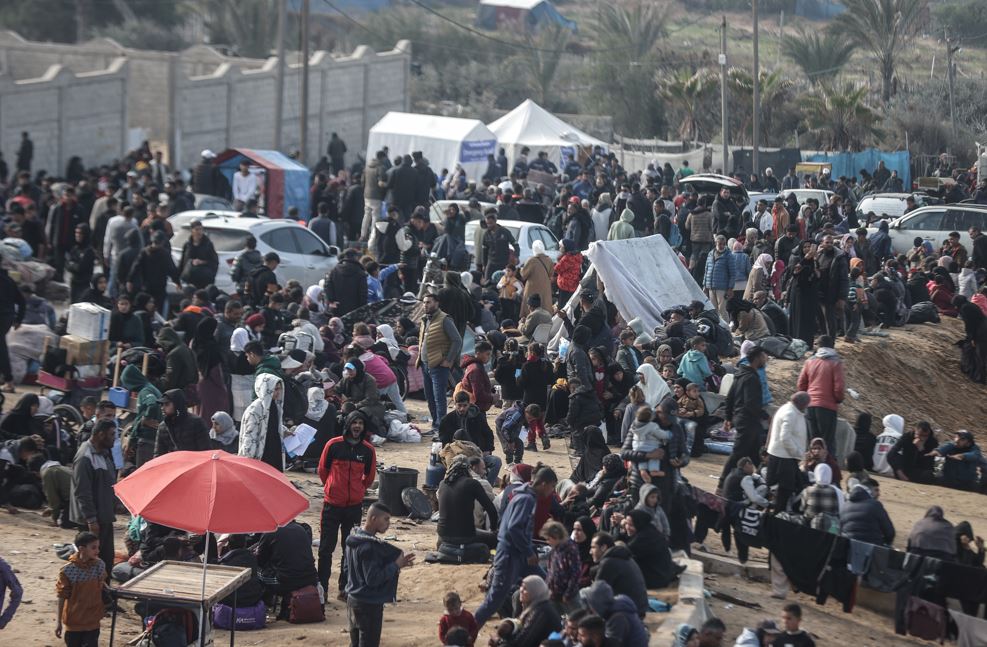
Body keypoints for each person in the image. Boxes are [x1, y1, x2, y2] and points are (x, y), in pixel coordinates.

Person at [474, 467, 558, 628]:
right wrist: (528, 551)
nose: (552, 491)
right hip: (510, 555)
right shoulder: (526, 499)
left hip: (520, 554)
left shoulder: (526, 495)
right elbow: (514, 528)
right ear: (544, 484)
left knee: (545, 582)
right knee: (494, 600)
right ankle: (469, 631)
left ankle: (542, 624)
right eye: (552, 487)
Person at [318, 411, 377, 599]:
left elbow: (369, 478)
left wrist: (358, 491)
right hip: (332, 505)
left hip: (353, 507)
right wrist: (332, 487)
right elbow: (322, 470)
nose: (357, 426)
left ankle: (344, 588)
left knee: (349, 548)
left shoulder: (368, 450)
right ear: (348, 424)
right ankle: (323, 589)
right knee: (326, 548)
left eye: (360, 423)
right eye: (354, 423)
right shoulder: (333, 445)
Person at [344, 502, 414, 647]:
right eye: (386, 519)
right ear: (373, 519)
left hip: (352, 600)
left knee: (354, 643)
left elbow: (347, 569)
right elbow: (373, 579)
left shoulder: (353, 538)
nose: (389, 524)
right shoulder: (369, 547)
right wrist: (395, 565)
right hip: (368, 605)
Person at [70, 420, 117, 579]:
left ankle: (104, 600)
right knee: (92, 562)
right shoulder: (85, 457)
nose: (114, 439)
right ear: (100, 435)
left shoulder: (103, 453)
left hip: (104, 517)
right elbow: (82, 492)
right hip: (93, 520)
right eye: (111, 435)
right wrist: (91, 520)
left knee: (106, 560)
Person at [718, 347, 767, 489]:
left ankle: (762, 484)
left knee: (755, 455)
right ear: (757, 358)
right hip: (748, 421)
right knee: (738, 454)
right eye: (764, 356)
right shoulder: (751, 378)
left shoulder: (741, 375)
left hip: (743, 420)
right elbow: (751, 403)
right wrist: (766, 416)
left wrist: (728, 417)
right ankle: (721, 485)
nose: (766, 359)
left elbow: (730, 397)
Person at [417, 293, 463, 433]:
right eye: (424, 302)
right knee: (430, 397)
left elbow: (457, 340)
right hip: (425, 364)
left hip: (438, 365)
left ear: (437, 303)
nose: (426, 305)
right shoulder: (425, 319)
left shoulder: (444, 319)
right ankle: (435, 425)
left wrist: (448, 360)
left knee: (439, 398)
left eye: (429, 302)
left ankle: (441, 428)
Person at [55, 531, 106, 647]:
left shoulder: (99, 565)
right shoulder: (68, 571)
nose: (97, 551)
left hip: (93, 620)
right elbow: (62, 596)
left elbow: (102, 585)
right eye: (93, 548)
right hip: (74, 621)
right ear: (82, 549)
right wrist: (58, 622)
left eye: (98, 547)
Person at [795, 336, 845, 451]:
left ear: (818, 346)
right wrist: (838, 399)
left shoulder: (810, 361)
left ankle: (812, 466)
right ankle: (826, 467)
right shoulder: (836, 362)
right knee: (826, 443)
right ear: (832, 345)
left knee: (813, 442)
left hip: (810, 406)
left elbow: (801, 384)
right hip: (827, 407)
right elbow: (839, 387)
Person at [438, 456, 500, 549]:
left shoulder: (442, 483)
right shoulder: (472, 484)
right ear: (468, 468)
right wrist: (493, 530)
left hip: (442, 536)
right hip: (466, 535)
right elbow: (491, 510)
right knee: (498, 539)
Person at [766, 392, 810, 513]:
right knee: (784, 489)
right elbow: (784, 437)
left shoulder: (790, 410)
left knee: (784, 489)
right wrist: (796, 452)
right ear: (801, 404)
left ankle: (777, 513)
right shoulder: (790, 413)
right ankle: (777, 515)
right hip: (784, 457)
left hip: (785, 456)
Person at [588, 531, 649, 617]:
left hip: (629, 612)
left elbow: (596, 593)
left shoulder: (608, 562)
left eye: (593, 547)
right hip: (639, 608)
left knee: (584, 594)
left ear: (603, 547)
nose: (590, 552)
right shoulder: (623, 556)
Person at [238, 373, 286, 471]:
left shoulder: (274, 405)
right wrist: (248, 460)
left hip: (274, 450)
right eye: (275, 389)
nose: (278, 392)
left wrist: (284, 430)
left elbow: (273, 425)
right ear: (265, 388)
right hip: (262, 453)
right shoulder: (255, 409)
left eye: (279, 389)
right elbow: (249, 436)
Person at [119, 365, 162, 468]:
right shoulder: (150, 388)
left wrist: (145, 419)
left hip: (147, 439)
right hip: (154, 438)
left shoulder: (145, 391)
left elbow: (152, 404)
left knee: (144, 472)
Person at [154, 389, 210, 457]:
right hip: (173, 465)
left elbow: (206, 451)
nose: (162, 408)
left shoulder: (197, 422)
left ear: (177, 404)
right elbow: (158, 455)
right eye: (162, 405)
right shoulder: (163, 426)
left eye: (167, 404)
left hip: (194, 463)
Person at [539, 521, 581, 610]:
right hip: (554, 595)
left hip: (568, 597)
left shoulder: (570, 549)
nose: (547, 542)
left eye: (548, 538)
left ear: (556, 536)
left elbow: (575, 573)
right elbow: (551, 572)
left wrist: (568, 593)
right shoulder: (555, 550)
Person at [840, 480, 894, 546]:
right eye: (876, 490)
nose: (879, 494)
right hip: (871, 549)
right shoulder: (875, 505)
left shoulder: (844, 506)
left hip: (848, 547)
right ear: (869, 491)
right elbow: (890, 533)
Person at [0, 268, 25, 393]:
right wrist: (18, 319)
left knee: (1, 349)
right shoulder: (9, 280)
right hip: (7, 319)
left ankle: (9, 381)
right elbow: (22, 301)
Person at [179, 219, 219, 289]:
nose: (199, 232)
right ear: (192, 230)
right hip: (189, 280)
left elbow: (214, 262)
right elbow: (182, 262)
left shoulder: (208, 245)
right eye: (197, 229)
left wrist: (202, 262)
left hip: (204, 280)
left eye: (201, 229)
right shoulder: (187, 245)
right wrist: (178, 280)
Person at [704, 235, 736, 319]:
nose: (721, 246)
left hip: (722, 287)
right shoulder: (710, 254)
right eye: (720, 244)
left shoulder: (729, 256)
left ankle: (726, 329)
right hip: (710, 286)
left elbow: (733, 274)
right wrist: (705, 285)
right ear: (715, 243)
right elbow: (706, 270)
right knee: (713, 310)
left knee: (722, 310)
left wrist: (730, 288)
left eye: (723, 244)